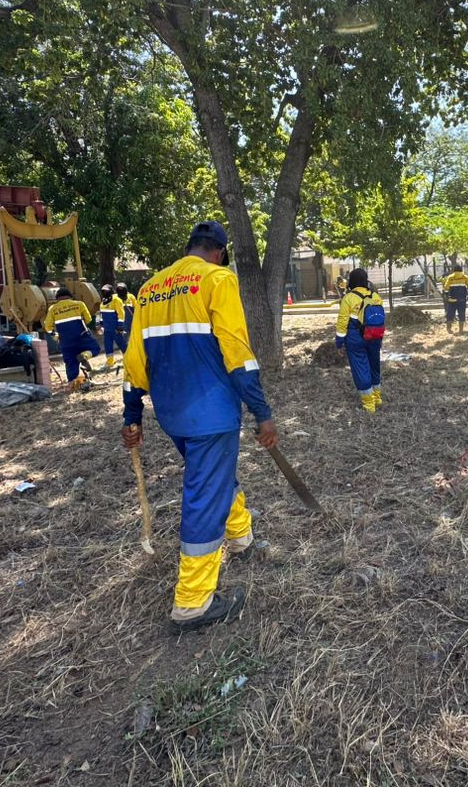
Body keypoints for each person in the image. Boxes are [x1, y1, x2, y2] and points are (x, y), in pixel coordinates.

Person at [120, 220, 278, 633]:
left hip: (171, 414)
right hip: (212, 413)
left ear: (190, 246)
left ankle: (241, 538)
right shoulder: (217, 279)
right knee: (205, 494)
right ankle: (192, 601)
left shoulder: (150, 288)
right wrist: (262, 411)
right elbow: (237, 351)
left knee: (214, 476)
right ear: (219, 252)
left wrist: (131, 414)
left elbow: (134, 360)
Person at [334, 267, 384, 413]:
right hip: (375, 337)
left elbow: (342, 321)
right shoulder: (376, 296)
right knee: (374, 366)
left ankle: (369, 405)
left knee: (361, 368)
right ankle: (377, 397)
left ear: (352, 281)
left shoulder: (348, 298)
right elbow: (379, 319)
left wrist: (339, 342)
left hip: (355, 338)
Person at [43, 287, 101, 387]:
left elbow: (47, 326)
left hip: (65, 340)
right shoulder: (79, 304)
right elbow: (88, 320)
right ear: (70, 296)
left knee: (70, 362)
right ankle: (85, 356)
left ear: (58, 298)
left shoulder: (53, 309)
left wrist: (55, 336)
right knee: (95, 348)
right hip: (82, 336)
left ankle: (71, 384)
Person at [99, 284, 128, 367]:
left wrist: (120, 325)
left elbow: (121, 313)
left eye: (106, 290)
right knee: (107, 345)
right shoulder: (103, 301)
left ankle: (128, 359)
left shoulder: (116, 300)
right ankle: (110, 361)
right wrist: (101, 325)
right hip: (107, 329)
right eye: (103, 291)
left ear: (111, 291)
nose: (104, 292)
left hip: (115, 328)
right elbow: (102, 314)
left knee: (121, 343)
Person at [442, 264, 468, 334]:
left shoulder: (450, 277)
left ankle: (449, 329)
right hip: (462, 299)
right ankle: (461, 330)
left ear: (454, 270)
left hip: (452, 300)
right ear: (461, 270)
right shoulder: (465, 277)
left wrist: (447, 296)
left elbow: (446, 288)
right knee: (461, 314)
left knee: (450, 314)